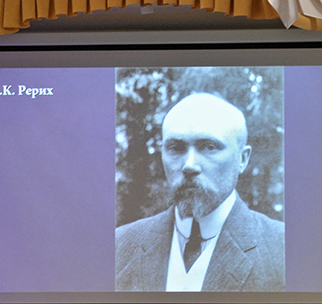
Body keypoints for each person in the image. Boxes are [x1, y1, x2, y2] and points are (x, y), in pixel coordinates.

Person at [115, 92, 285, 292]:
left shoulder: (283, 250)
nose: (189, 165)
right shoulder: (119, 246)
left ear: (242, 159)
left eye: (209, 147)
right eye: (176, 148)